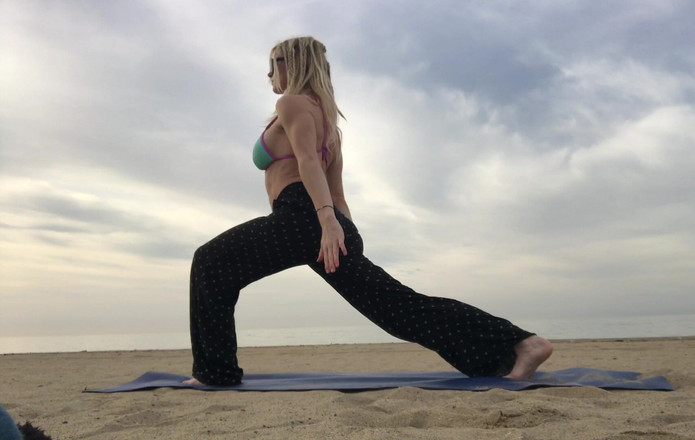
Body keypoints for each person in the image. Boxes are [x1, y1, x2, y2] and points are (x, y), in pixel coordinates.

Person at [185, 36, 552, 386]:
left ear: (294, 63)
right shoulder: (330, 126)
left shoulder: (291, 104)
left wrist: (328, 222)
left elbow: (308, 162)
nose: (269, 73)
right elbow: (337, 191)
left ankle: (215, 372)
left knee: (210, 262)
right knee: (397, 308)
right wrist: (346, 233)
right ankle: (520, 345)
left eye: (274, 63)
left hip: (301, 216)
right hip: (323, 222)